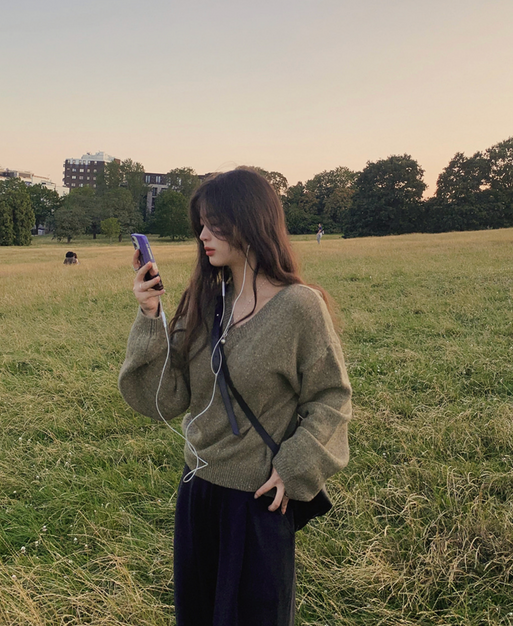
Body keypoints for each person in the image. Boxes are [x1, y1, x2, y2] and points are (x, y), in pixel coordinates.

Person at [118, 168, 352, 626]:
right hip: (198, 491)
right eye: (201, 224)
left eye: (215, 223)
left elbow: (331, 397)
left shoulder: (299, 306)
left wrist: (294, 466)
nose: (203, 235)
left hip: (259, 500)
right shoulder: (204, 300)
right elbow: (165, 399)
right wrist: (150, 314)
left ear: (249, 221)